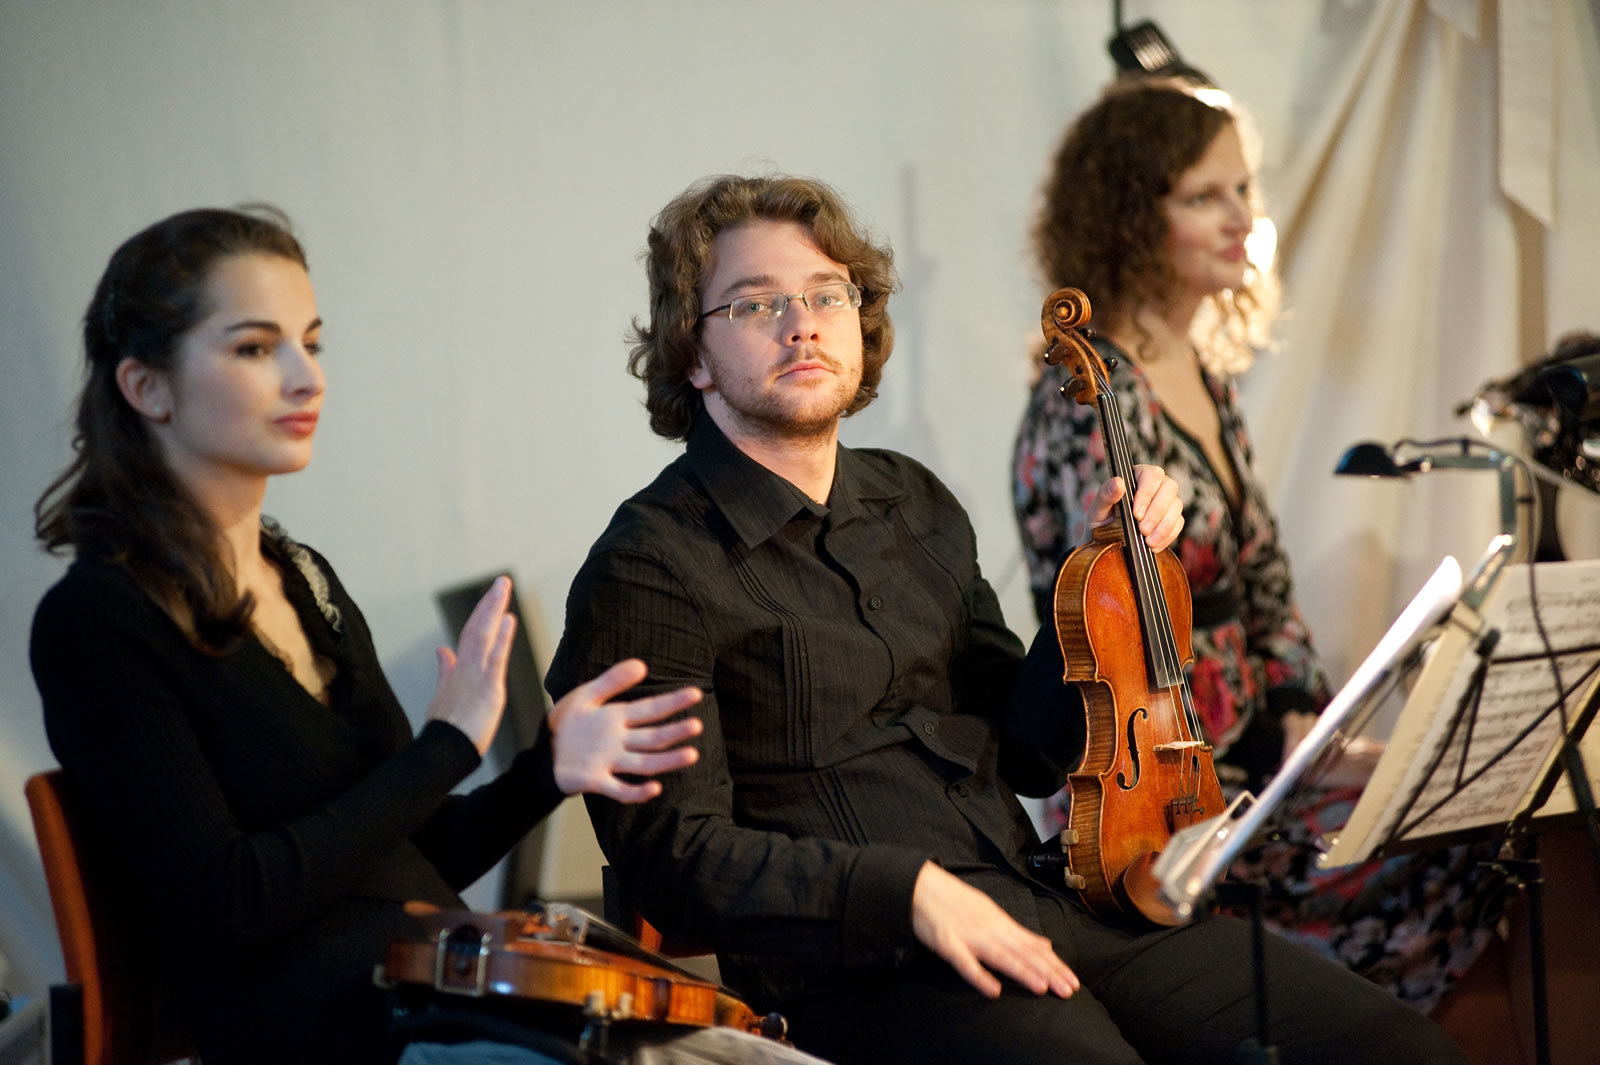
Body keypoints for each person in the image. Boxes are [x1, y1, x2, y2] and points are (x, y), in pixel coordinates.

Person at [546, 172, 1468, 1064]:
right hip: (855, 965)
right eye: (756, 303)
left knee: (1396, 1046)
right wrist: (903, 891)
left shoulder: (914, 503)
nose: (802, 323)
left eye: (826, 293)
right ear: (693, 353)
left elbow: (1028, 750)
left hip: (1044, 905)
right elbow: (676, 860)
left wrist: (1102, 576)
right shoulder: (651, 565)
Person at [29, 207, 709, 1065]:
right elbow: (230, 903)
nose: (305, 377)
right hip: (329, 1040)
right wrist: (446, 745)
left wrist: (548, 768)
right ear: (146, 386)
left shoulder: (302, 577)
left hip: (434, 1005)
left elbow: (410, 856)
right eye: (255, 347)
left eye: (310, 343)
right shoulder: (99, 620)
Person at [1011, 79, 1506, 1011]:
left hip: (1251, 763)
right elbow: (1107, 629)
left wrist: (1300, 721)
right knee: (1439, 856)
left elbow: (1265, 581)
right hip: (1152, 795)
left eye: (1243, 188)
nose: (1242, 216)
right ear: (1130, 216)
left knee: (1470, 817)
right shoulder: (1089, 400)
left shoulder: (1205, 374)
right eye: (1206, 195)